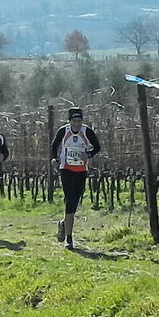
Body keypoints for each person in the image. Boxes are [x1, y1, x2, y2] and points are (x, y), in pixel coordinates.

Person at [51, 107, 101, 249]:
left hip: (81, 170)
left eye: (79, 121)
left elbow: (97, 147)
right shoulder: (64, 131)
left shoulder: (87, 131)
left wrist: (88, 154)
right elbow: (54, 146)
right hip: (66, 169)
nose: (77, 124)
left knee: (76, 200)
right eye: (74, 121)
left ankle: (63, 223)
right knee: (70, 201)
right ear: (70, 121)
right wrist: (54, 159)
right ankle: (69, 239)